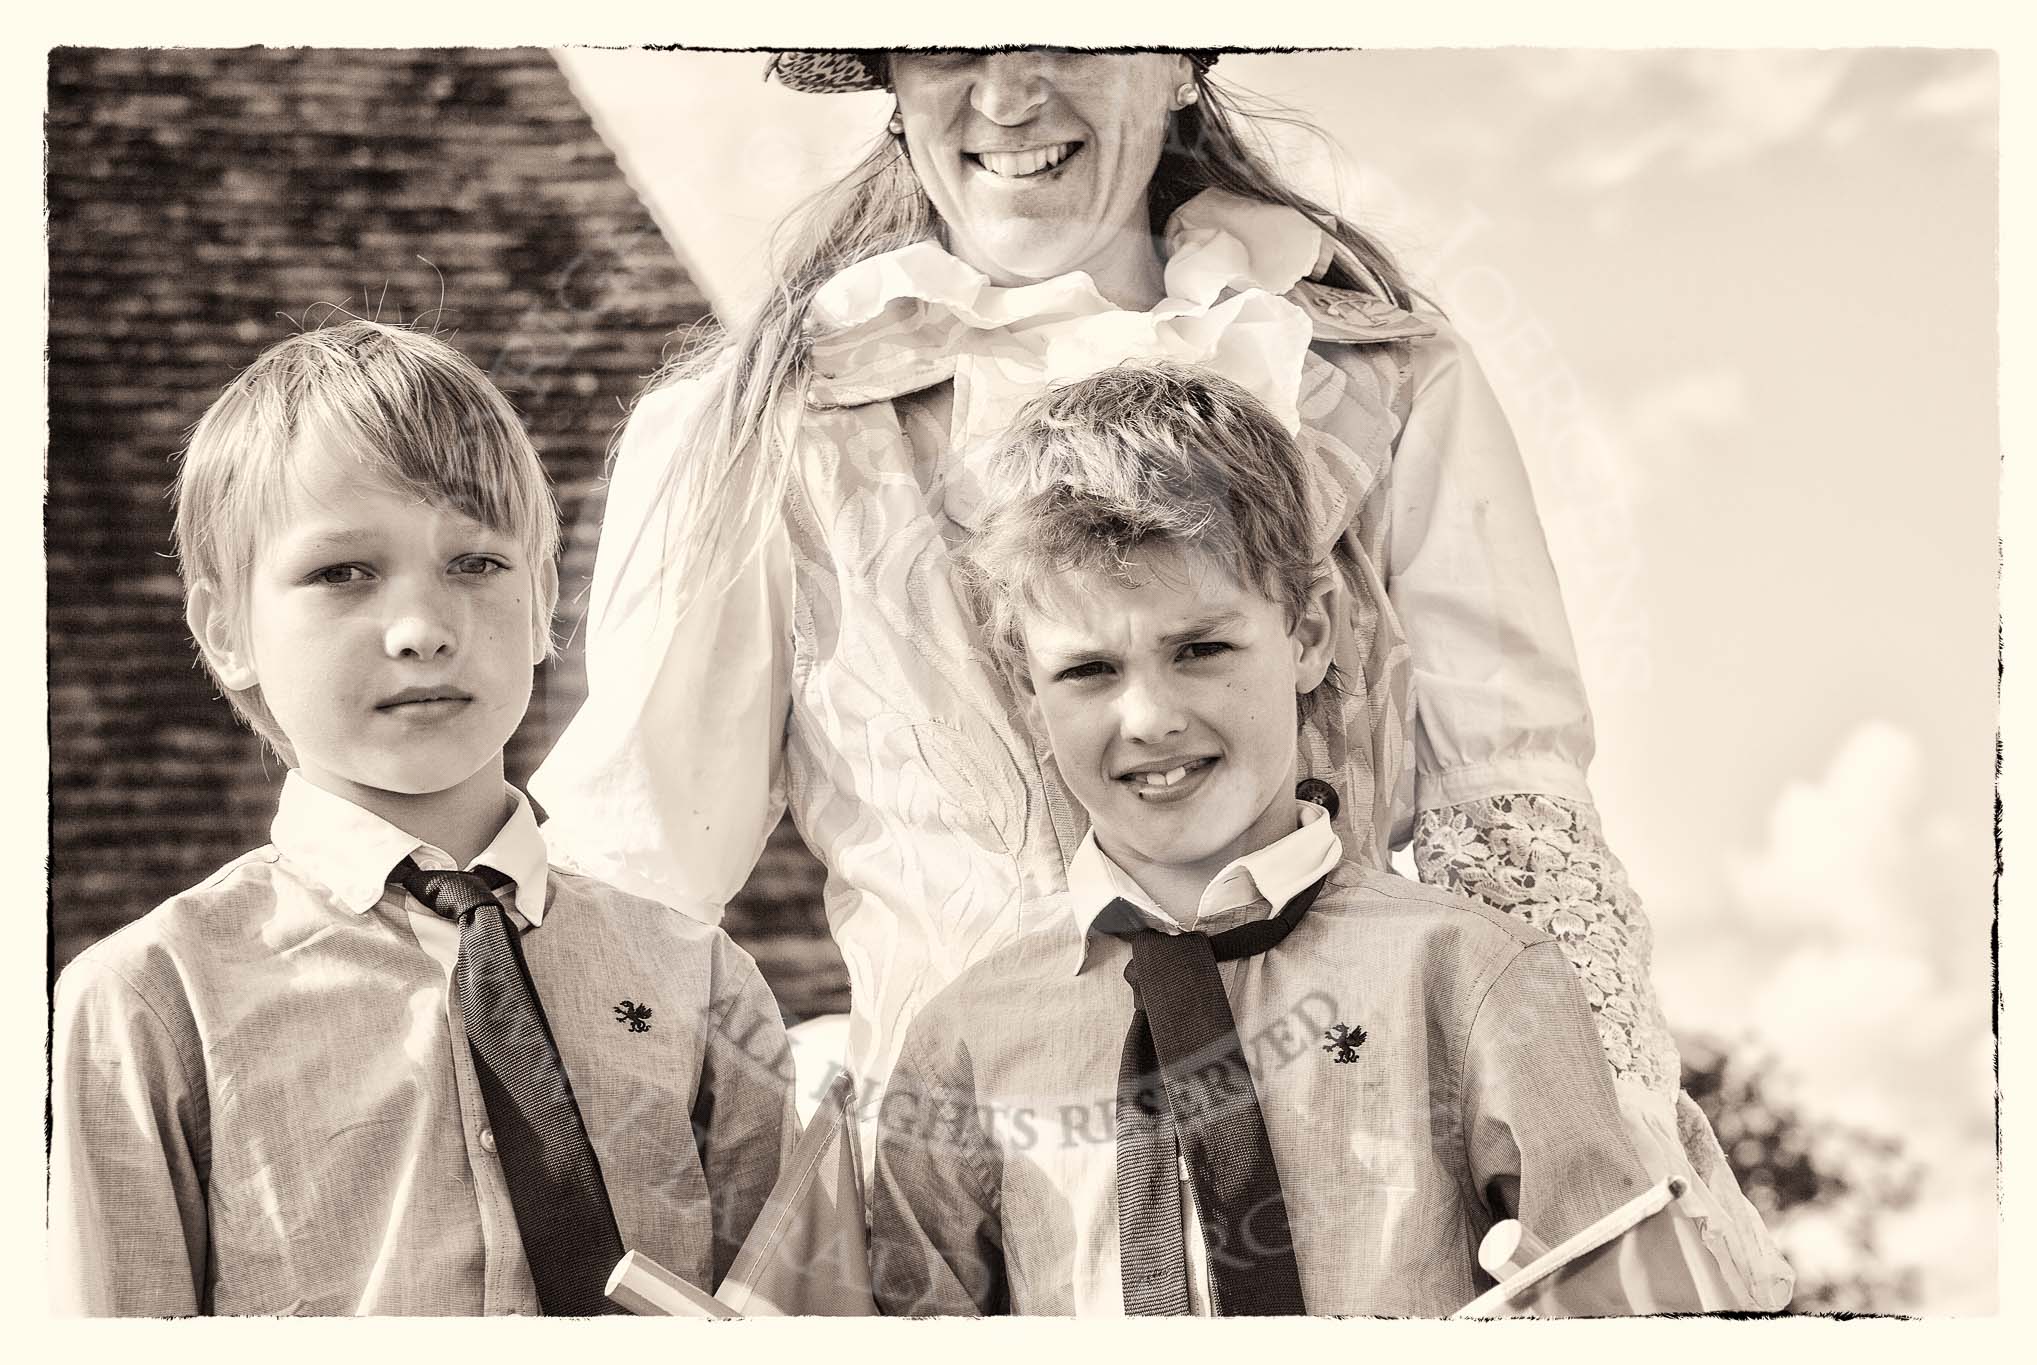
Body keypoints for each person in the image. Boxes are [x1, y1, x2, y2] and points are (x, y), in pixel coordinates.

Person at [530, 49, 1791, 1308]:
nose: (1007, 96)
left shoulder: (1382, 379)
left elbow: (1507, 812)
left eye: (1070, 33)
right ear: (890, 80)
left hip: (1374, 1200)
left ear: (1178, 63)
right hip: (967, 1226)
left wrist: (1601, 1200)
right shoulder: (752, 429)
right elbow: (632, 889)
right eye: (950, 42)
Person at [867, 362, 1729, 1315]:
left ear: (1311, 632)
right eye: (1088, 670)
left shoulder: (1478, 978)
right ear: (1027, 690)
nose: (1149, 717)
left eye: (1200, 648)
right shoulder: (963, 1042)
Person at [49, 321, 796, 1316]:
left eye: (475, 563)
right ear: (225, 629)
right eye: (343, 573)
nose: (423, 630)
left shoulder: (698, 981)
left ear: (542, 599)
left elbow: (785, 1317)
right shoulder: (152, 999)